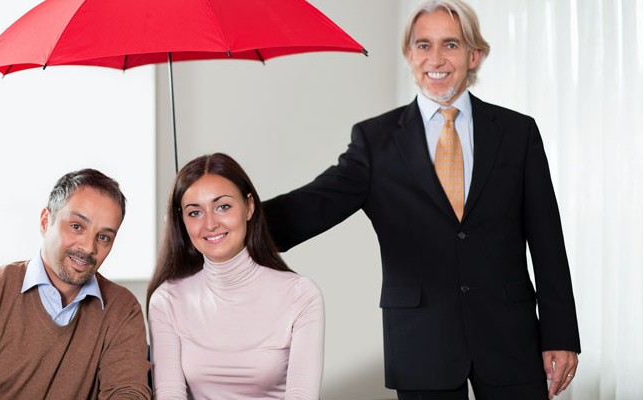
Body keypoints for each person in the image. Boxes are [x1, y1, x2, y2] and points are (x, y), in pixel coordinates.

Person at [263, 1, 580, 399]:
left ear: (473, 55)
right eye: (423, 45)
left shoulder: (517, 133)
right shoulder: (375, 141)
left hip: (510, 338)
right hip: (422, 342)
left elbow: (548, 240)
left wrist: (561, 333)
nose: (436, 59)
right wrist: (232, 223)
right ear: (409, 54)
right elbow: (314, 204)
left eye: (450, 45)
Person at [0, 169, 151, 399]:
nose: (89, 247)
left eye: (103, 237)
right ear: (45, 222)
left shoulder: (122, 308)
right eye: (77, 226)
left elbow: (128, 393)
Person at [146, 153, 324, 400]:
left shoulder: (300, 295)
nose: (210, 224)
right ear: (182, 221)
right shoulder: (166, 300)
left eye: (223, 207)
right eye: (195, 213)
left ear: (249, 207)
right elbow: (169, 394)